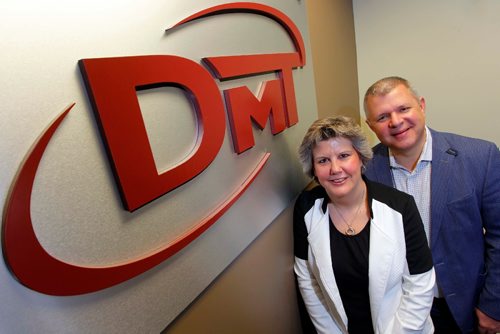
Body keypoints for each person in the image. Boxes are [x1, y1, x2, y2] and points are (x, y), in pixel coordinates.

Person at [363, 76, 500, 334]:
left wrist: (494, 305)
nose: (395, 121)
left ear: (421, 106)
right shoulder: (365, 173)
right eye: (382, 117)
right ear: (371, 126)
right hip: (400, 312)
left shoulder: (481, 157)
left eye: (403, 109)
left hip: (467, 306)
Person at [293, 116, 435, 334]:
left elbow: (420, 283)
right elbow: (308, 281)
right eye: (323, 160)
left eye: (343, 156)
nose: (335, 169)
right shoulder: (306, 208)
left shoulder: (401, 206)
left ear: (360, 158)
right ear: (313, 168)